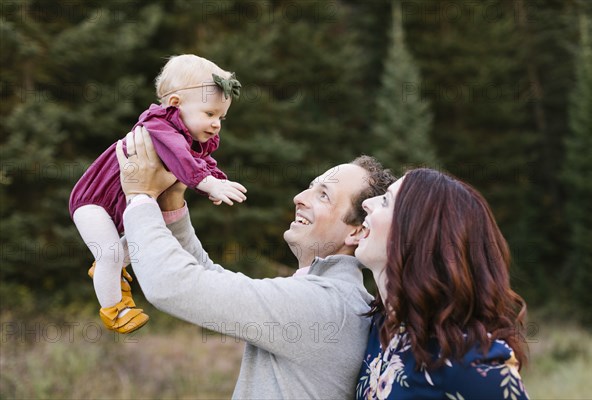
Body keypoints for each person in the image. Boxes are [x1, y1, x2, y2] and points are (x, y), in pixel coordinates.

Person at [113, 127, 396, 398]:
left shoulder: (324, 305)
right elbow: (208, 276)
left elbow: (174, 285)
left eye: (323, 195)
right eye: (310, 187)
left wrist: (140, 197)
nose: (299, 198)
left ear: (357, 231)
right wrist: (172, 205)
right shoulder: (333, 296)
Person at [69, 54, 247, 334]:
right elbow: (184, 161)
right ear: (176, 104)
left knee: (142, 239)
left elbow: (202, 162)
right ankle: (116, 310)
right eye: (210, 114)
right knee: (112, 254)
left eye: (221, 117)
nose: (216, 124)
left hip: (124, 202)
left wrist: (217, 180)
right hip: (95, 202)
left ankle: (110, 268)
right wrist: (210, 184)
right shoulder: (159, 126)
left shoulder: (191, 136)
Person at [355, 168, 530, 399]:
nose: (367, 202)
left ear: (417, 234)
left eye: (386, 201)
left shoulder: (472, 363)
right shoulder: (379, 329)